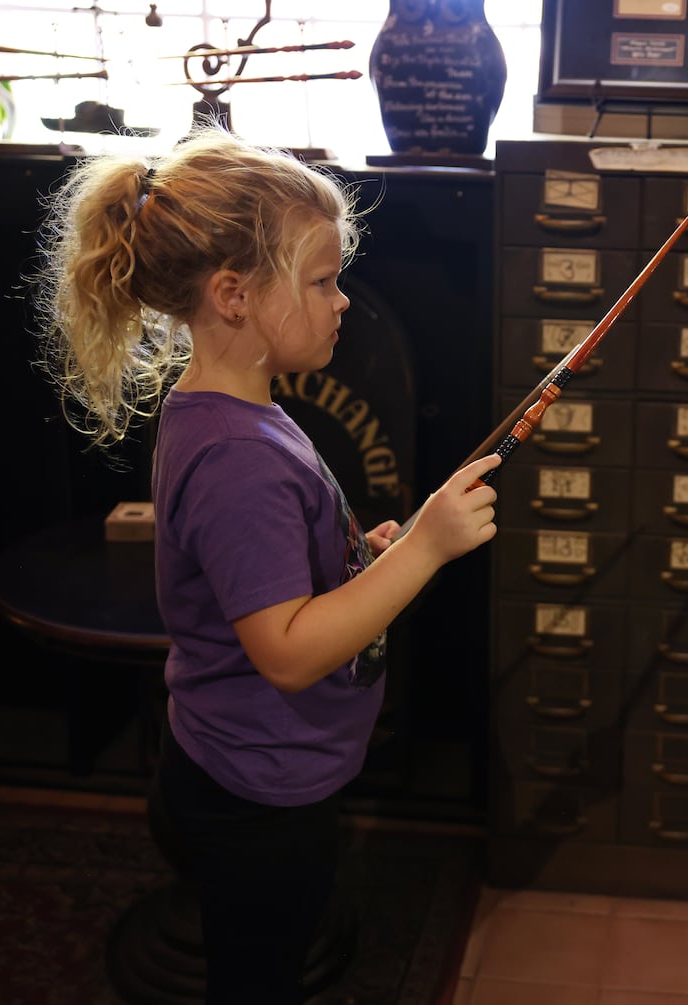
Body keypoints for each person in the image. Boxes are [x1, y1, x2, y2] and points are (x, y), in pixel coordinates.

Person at [33, 127, 499, 1003]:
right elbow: (286, 648)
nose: (343, 301)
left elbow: (272, 578)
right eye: (322, 281)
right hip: (256, 800)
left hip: (243, 770)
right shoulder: (240, 457)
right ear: (234, 294)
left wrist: (363, 560)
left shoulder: (229, 414)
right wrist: (431, 547)